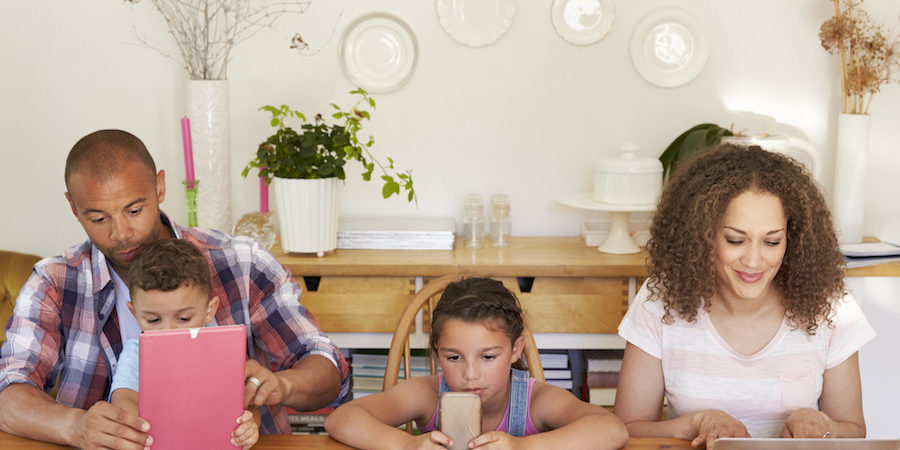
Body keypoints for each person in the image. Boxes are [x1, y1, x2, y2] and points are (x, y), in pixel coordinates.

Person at [0, 130, 349, 448]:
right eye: (98, 218)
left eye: (134, 209)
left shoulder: (243, 263)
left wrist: (282, 386)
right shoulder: (54, 282)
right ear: (73, 207)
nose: (120, 232)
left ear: (160, 188)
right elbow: (8, 392)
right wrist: (76, 426)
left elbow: (325, 366)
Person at [614, 144, 875, 448]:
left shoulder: (829, 306)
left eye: (772, 241)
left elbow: (854, 430)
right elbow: (627, 429)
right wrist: (697, 422)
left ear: (792, 238)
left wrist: (823, 425)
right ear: (703, 233)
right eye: (735, 240)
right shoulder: (661, 300)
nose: (753, 261)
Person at [325, 277, 629, 449]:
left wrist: (521, 447)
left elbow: (611, 429)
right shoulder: (427, 394)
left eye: (488, 357)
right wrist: (408, 447)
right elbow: (341, 419)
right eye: (453, 357)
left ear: (515, 349)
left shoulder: (536, 400)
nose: (470, 375)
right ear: (436, 352)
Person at [109, 239, 259, 449]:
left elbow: (243, 406)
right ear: (134, 313)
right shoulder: (137, 352)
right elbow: (123, 398)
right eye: (153, 320)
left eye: (184, 318)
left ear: (209, 309)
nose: (168, 331)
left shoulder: (222, 348)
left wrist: (249, 428)